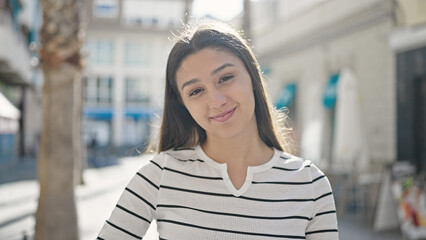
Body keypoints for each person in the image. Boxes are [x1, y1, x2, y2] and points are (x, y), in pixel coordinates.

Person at [98, 20, 339, 239]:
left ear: (252, 76)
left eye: (225, 78)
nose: (216, 100)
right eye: (196, 91)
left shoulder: (310, 184)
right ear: (184, 105)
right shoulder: (160, 176)